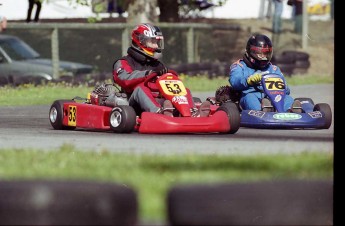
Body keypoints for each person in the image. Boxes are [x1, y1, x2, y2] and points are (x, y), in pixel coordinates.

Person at [112, 23, 211, 117]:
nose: (156, 46)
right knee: (140, 88)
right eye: (152, 42)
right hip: (134, 104)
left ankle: (191, 113)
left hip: (161, 100)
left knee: (184, 90)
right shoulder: (124, 62)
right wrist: (147, 74)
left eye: (157, 42)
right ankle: (158, 112)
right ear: (140, 41)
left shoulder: (157, 64)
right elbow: (124, 78)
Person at [228, 34, 301, 113]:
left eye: (265, 53)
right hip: (250, 96)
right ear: (249, 52)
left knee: (287, 98)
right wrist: (248, 81)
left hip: (272, 98)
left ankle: (290, 111)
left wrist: (282, 86)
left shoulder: (273, 69)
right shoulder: (239, 66)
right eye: (259, 54)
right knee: (250, 98)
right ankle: (262, 111)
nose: (263, 57)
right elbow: (234, 81)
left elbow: (286, 90)